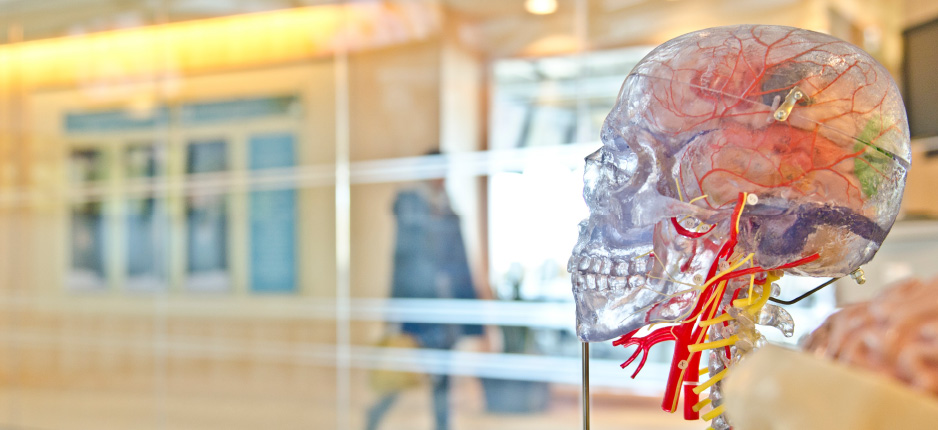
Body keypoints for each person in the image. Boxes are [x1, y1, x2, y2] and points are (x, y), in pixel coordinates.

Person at [365, 159, 482, 430]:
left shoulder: (448, 209)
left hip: (446, 312)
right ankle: (374, 416)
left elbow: (460, 263)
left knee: (442, 380)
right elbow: (401, 262)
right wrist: (395, 313)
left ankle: (442, 426)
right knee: (402, 373)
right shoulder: (411, 209)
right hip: (419, 311)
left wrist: (469, 314)